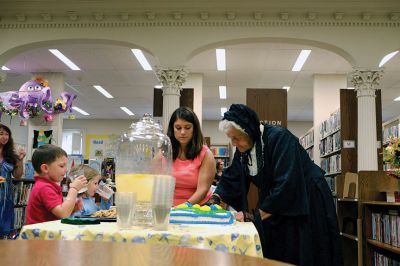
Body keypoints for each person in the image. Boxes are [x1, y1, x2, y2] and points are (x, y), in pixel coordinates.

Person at [208, 104, 342, 266]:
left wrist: (255, 216)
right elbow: (232, 177)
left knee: (307, 250)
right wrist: (215, 198)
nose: (233, 143)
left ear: (249, 132)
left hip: (307, 196)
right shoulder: (244, 149)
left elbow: (287, 185)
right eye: (231, 138)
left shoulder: (280, 138)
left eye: (236, 138)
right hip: (281, 199)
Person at [26, 144, 87, 224]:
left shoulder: (47, 186)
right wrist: (74, 189)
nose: (66, 170)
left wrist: (72, 208)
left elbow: (58, 213)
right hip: (41, 234)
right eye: (62, 166)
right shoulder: (44, 188)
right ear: (45, 168)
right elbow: (63, 214)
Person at [167, 107, 216, 206]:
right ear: (172, 129)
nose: (183, 132)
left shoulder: (205, 154)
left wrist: (184, 207)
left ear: (194, 129)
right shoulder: (164, 152)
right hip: (169, 207)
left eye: (187, 127)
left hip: (198, 207)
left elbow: (203, 189)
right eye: (178, 128)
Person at [0, 124, 26, 238]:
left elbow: (17, 175)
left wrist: (20, 160)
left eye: (7, 134)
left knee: (4, 229)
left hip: (6, 197)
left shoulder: (10, 155)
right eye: (1, 134)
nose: (5, 137)